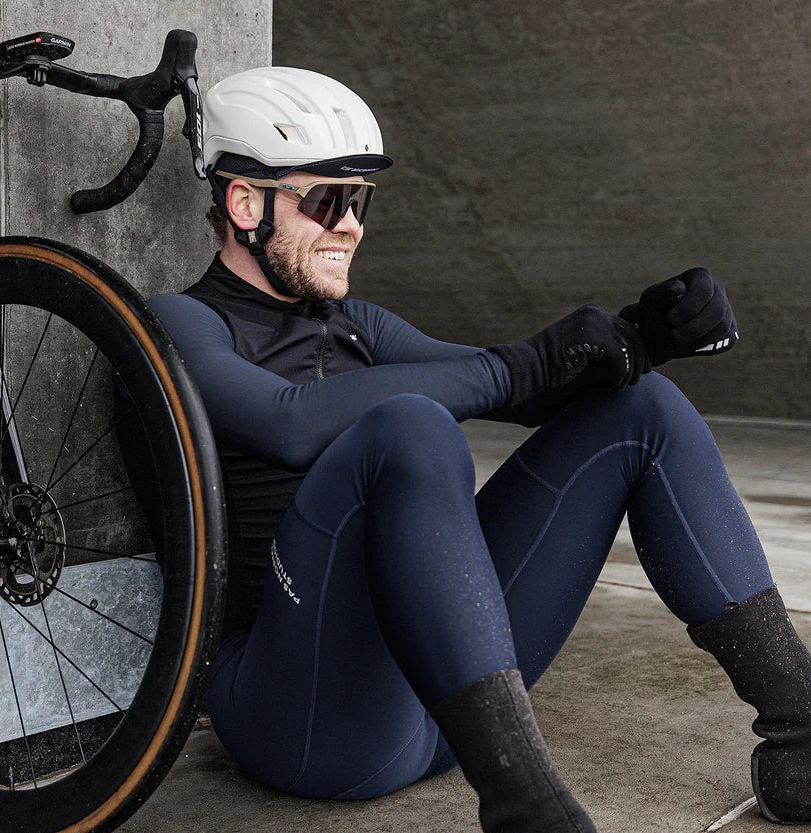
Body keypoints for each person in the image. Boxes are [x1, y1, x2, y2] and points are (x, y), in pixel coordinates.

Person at [146, 66, 811, 832]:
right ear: (243, 204)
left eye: (359, 203)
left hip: (437, 710)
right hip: (299, 719)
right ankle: (530, 812)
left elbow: (512, 389)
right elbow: (288, 420)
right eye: (328, 200)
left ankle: (800, 733)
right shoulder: (177, 324)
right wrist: (515, 363)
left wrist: (642, 339)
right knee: (410, 423)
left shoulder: (360, 324)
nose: (353, 225)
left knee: (639, 408)